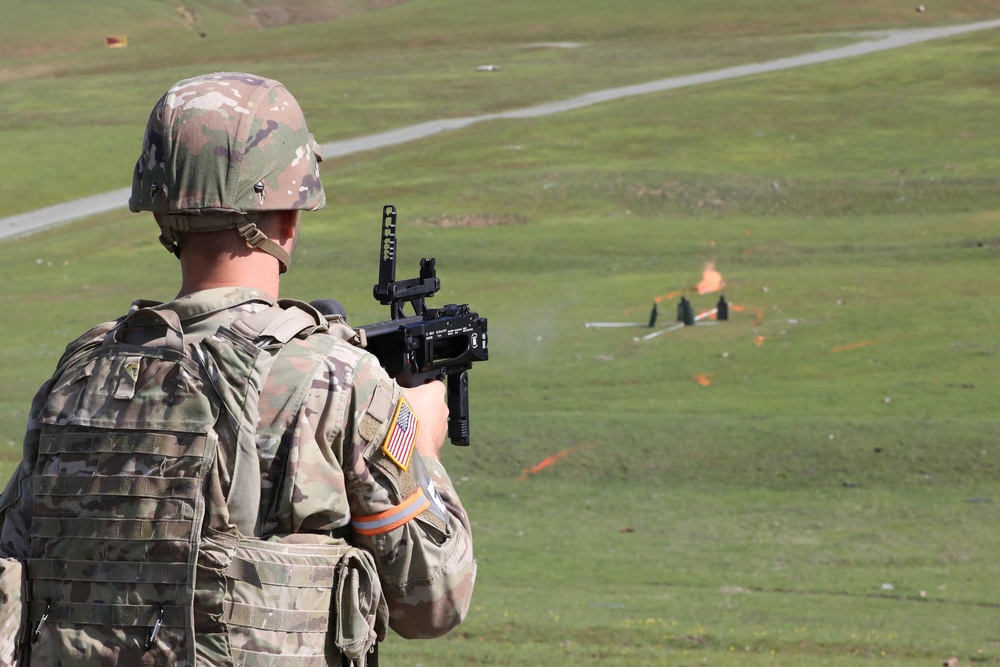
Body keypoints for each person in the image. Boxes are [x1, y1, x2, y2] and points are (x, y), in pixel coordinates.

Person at [0, 72, 475, 666]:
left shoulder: (82, 373)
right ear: (290, 215)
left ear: (162, 213)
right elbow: (434, 602)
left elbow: (17, 554)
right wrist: (420, 443)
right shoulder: (337, 381)